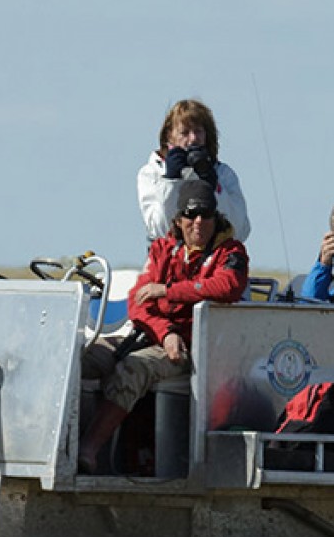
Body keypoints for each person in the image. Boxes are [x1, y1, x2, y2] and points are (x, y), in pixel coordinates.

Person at [75, 180, 248, 473]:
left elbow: (226, 286)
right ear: (178, 220)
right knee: (79, 359)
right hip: (152, 336)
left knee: (134, 367)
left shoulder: (231, 252)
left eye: (206, 215)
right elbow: (138, 302)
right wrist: (165, 332)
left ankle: (88, 451)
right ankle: (52, 445)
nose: (198, 222)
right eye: (191, 215)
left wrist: (168, 291)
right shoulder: (162, 250)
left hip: (194, 347)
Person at [135, 98, 252, 244]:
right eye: (184, 133)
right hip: (172, 259)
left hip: (216, 258)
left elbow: (239, 231)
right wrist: (171, 182)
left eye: (198, 132)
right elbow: (160, 229)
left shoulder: (224, 174)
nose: (193, 139)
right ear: (169, 136)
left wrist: (212, 186)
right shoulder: (151, 174)